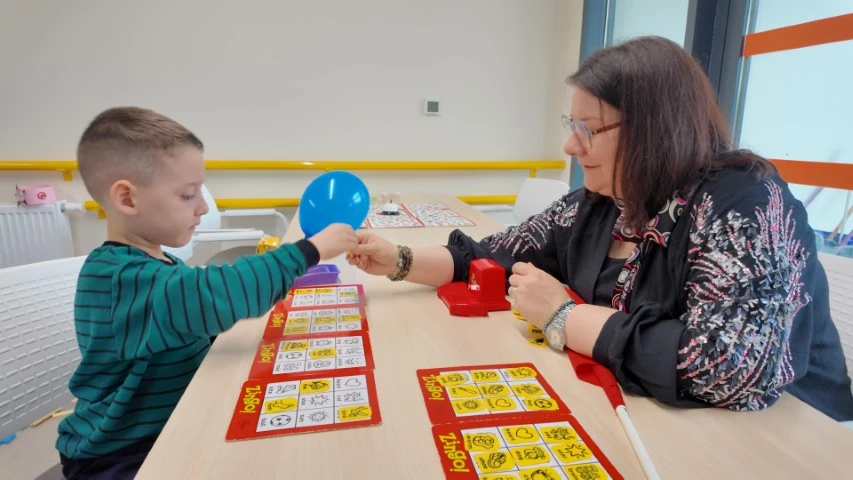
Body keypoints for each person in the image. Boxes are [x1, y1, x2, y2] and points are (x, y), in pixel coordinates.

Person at [348, 36, 853, 421]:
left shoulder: (744, 202)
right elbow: (492, 254)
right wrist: (400, 260)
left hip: (794, 434)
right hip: (654, 418)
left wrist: (564, 316)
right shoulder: (608, 199)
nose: (571, 146)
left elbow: (726, 366)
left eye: (588, 129)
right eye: (572, 125)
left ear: (654, 130)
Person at [56, 106, 357, 479]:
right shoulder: (119, 279)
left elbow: (190, 322)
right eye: (188, 195)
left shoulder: (155, 264)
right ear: (128, 199)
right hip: (120, 456)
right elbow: (211, 294)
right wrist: (309, 251)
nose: (202, 208)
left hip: (172, 428)